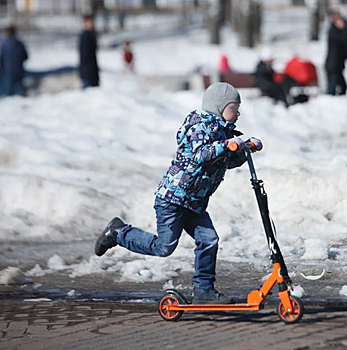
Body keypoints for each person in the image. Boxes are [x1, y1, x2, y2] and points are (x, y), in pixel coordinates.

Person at [94, 82, 263, 304]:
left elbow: (224, 161)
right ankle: (118, 232)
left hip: (194, 202)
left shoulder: (223, 132)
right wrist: (229, 144)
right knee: (164, 247)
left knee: (209, 240)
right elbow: (201, 154)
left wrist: (243, 149)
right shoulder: (198, 127)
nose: (238, 113)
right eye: (234, 108)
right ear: (219, 107)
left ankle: (204, 291)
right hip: (173, 199)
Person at [0, 25, 28, 96]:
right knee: (18, 92)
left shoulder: (3, 45)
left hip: (7, 72)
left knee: (8, 94)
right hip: (19, 71)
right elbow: (26, 57)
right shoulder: (20, 44)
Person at [324, 11, 347, 96]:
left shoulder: (337, 31)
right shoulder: (334, 32)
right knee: (332, 88)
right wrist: (344, 28)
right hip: (333, 65)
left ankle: (339, 102)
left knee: (342, 86)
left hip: (337, 65)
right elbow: (343, 39)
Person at [79, 15, 99, 88]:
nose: (91, 24)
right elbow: (85, 56)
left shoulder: (91, 35)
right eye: (89, 22)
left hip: (93, 71)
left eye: (92, 22)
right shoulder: (85, 36)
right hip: (87, 72)